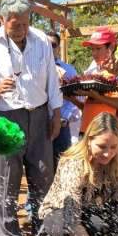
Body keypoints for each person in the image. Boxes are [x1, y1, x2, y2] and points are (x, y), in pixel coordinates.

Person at [0, 0, 63, 236]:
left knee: (43, 178)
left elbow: (52, 83)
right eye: (15, 23)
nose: (21, 28)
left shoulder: (42, 42)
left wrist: (55, 114)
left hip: (38, 116)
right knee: (6, 182)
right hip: (6, 118)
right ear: (2, 20)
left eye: (25, 22)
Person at [78, 26, 118, 136]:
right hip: (86, 131)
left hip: (107, 134)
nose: (94, 53)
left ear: (112, 47)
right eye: (92, 49)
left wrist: (97, 96)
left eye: (98, 48)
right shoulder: (91, 71)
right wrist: (70, 97)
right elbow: (88, 105)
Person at [46, 31, 81, 166]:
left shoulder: (69, 70)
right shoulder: (34, 69)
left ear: (59, 48)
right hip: (39, 125)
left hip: (61, 126)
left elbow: (77, 99)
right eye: (46, 44)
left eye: (53, 45)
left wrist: (62, 118)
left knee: (61, 166)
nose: (50, 48)